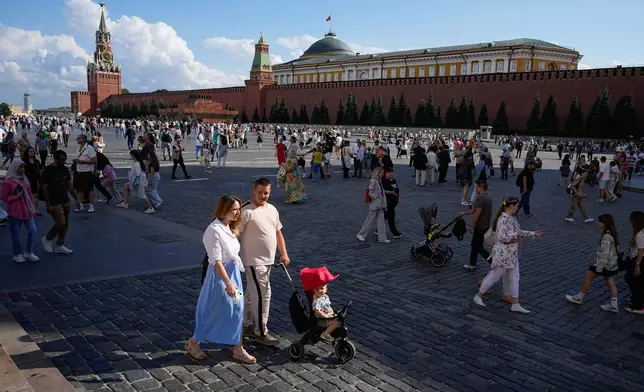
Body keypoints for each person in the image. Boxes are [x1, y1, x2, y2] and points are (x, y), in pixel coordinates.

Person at [185, 195, 256, 364]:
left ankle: (238, 348)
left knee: (237, 310)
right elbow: (216, 260)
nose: (238, 213)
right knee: (213, 312)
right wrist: (228, 282)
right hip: (220, 277)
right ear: (224, 210)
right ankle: (193, 342)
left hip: (233, 274)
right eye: (234, 209)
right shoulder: (213, 230)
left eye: (239, 209)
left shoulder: (229, 227)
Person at [239, 178, 290, 346]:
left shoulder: (272, 210)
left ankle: (246, 325)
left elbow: (278, 233)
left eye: (266, 192)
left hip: (268, 261)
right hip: (253, 261)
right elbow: (234, 233)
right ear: (254, 190)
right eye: (260, 192)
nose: (263, 195)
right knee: (263, 295)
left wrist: (283, 253)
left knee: (251, 294)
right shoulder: (247, 211)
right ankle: (261, 331)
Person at [473, 196, 545, 313]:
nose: (518, 207)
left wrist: (533, 233)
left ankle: (515, 304)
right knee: (495, 276)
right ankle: (478, 296)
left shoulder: (511, 218)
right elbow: (501, 237)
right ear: (511, 206)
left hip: (511, 255)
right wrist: (514, 238)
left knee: (515, 278)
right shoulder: (503, 219)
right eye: (517, 205)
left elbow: (518, 232)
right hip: (503, 255)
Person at [565, 214, 620, 312]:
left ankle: (579, 297)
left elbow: (605, 254)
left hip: (603, 264)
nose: (599, 224)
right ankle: (614, 304)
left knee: (587, 277)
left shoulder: (606, 236)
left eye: (600, 222)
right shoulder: (612, 233)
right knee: (611, 283)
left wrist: (599, 268)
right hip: (612, 264)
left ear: (604, 223)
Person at [1, 160, 39, 263]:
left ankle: (29, 252)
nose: (22, 169)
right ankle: (17, 254)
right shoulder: (7, 182)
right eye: (20, 167)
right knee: (15, 234)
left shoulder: (24, 179)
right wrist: (16, 196)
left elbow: (30, 195)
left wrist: (33, 209)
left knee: (33, 230)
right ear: (15, 167)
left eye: (23, 167)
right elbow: (4, 198)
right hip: (15, 211)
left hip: (27, 210)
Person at [41, 150, 77, 255]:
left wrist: (76, 198)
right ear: (56, 160)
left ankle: (60, 245)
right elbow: (44, 188)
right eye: (61, 161)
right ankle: (47, 239)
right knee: (60, 222)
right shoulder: (47, 171)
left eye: (64, 161)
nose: (63, 163)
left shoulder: (64, 169)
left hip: (64, 199)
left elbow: (69, 185)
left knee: (65, 225)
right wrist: (48, 203)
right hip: (54, 201)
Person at [458, 182, 493, 270]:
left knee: (477, 246)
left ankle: (492, 262)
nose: (476, 189)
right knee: (475, 245)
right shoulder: (488, 197)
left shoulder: (480, 198)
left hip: (480, 226)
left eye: (476, 187)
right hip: (485, 225)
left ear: (481, 187)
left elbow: (477, 213)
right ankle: (472, 263)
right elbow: (474, 209)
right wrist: (464, 213)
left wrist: (472, 225)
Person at [357, 167, 389, 243]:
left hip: (380, 204)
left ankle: (382, 238)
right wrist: (377, 197)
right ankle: (361, 234)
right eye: (382, 173)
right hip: (375, 204)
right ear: (378, 173)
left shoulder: (378, 181)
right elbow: (370, 193)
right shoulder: (373, 181)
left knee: (381, 221)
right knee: (369, 220)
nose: (383, 174)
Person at [624, 211, 644, 314]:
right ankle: (637, 300)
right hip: (636, 258)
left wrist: (637, 265)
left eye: (631, 219)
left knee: (634, 282)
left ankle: (638, 305)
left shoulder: (639, 234)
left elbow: (641, 250)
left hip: (638, 259)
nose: (629, 221)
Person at [72, 134, 97, 213]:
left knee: (89, 189)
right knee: (79, 190)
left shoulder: (89, 149)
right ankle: (80, 205)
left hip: (87, 172)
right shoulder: (78, 149)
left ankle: (91, 205)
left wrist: (82, 162)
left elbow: (94, 160)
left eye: (78, 138)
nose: (77, 139)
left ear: (83, 139)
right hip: (79, 171)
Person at [381, 167, 403, 239]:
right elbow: (381, 191)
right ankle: (395, 233)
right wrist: (391, 192)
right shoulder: (384, 182)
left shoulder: (393, 181)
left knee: (384, 217)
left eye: (391, 172)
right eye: (388, 173)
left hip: (393, 203)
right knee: (391, 218)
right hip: (388, 203)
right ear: (385, 174)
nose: (390, 174)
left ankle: (378, 230)